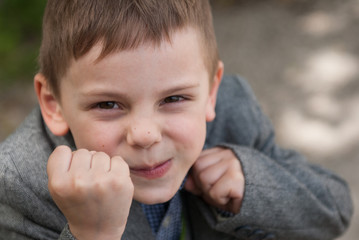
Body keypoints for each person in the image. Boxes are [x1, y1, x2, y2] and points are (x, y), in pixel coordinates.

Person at [0, 0, 353, 239]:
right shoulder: (20, 181)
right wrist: (92, 234)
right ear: (54, 103)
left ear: (212, 92)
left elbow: (334, 211)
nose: (145, 135)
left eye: (173, 99)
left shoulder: (233, 112)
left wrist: (252, 184)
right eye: (108, 104)